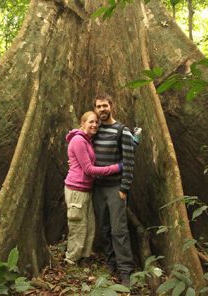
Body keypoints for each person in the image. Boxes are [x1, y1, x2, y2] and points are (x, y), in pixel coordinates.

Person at [64, 111, 122, 265]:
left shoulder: (87, 140)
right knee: (78, 226)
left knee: (89, 225)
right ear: (82, 123)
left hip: (86, 188)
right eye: (91, 122)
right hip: (76, 189)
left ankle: (83, 257)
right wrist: (117, 167)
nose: (95, 125)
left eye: (96, 122)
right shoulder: (78, 140)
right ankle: (71, 260)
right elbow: (89, 169)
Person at [92, 92, 135, 286]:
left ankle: (125, 270)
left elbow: (129, 161)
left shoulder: (122, 130)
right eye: (99, 107)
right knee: (104, 228)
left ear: (111, 106)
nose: (102, 110)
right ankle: (110, 264)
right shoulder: (94, 129)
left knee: (119, 230)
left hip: (115, 187)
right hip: (97, 188)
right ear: (95, 109)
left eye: (105, 106)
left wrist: (124, 188)